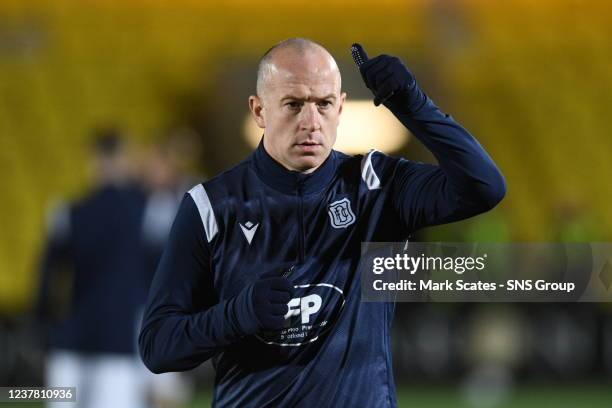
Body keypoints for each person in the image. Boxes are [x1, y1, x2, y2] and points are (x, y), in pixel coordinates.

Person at [138, 38, 506, 407]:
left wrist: (412, 103)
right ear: (259, 110)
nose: (311, 123)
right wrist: (238, 314)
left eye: (324, 104)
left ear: (341, 106)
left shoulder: (376, 185)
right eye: (293, 105)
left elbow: (484, 187)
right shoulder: (212, 206)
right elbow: (158, 347)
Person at [36, 129, 153, 408]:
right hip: (119, 341)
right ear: (124, 159)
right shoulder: (144, 212)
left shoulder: (67, 212)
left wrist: (43, 325)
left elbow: (45, 281)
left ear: (94, 161)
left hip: (71, 339)